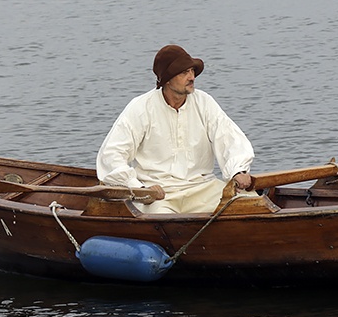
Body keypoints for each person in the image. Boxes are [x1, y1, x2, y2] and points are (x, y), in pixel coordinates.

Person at [96, 45, 255, 214]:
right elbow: (111, 155)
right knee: (163, 220)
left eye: (192, 71)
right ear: (167, 79)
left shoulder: (204, 102)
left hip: (203, 189)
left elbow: (229, 138)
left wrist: (238, 170)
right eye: (184, 72)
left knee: (251, 204)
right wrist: (139, 188)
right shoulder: (140, 108)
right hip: (159, 195)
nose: (191, 77)